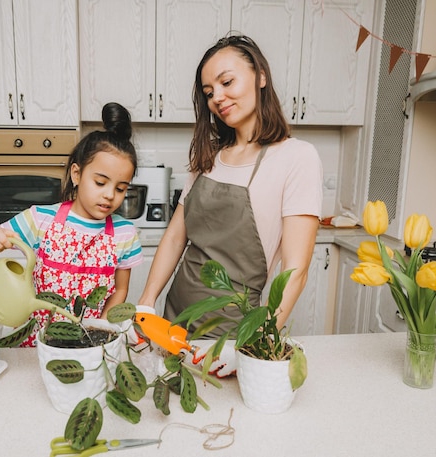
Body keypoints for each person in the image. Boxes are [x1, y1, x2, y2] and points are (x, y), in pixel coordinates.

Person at [137, 35, 323, 372]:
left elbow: (295, 270)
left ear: (260, 75)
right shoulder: (209, 155)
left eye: (226, 82)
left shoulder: (297, 157)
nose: (217, 98)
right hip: (175, 313)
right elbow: (176, 238)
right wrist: (147, 302)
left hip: (233, 331)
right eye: (208, 93)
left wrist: (256, 345)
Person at [0, 102, 144, 347]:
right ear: (77, 174)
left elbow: (120, 290)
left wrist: (102, 332)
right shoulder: (41, 219)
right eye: (100, 183)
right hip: (38, 343)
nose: (110, 195)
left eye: (120, 188)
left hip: (88, 343)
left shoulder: (124, 233)